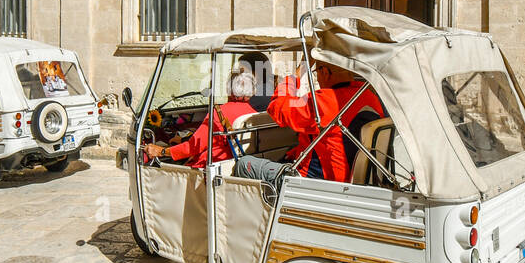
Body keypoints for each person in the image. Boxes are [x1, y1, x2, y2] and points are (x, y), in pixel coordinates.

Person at [233, 61, 382, 186]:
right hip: (357, 178)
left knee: (244, 165)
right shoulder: (369, 96)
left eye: (317, 72)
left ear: (325, 72)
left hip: (315, 181)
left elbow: (276, 108)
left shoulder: (322, 102)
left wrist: (293, 78)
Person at [144, 68, 257, 169]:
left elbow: (192, 147)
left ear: (229, 89)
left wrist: (161, 151)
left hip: (209, 168)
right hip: (234, 164)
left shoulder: (220, 113)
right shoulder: (254, 114)